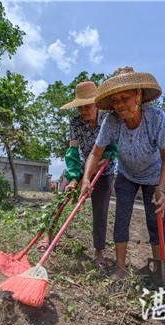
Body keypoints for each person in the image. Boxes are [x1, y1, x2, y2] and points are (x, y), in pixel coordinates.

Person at [80, 66, 165, 279]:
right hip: (126, 175)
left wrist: (161, 188)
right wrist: (86, 179)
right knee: (121, 218)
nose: (120, 105)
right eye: (115, 100)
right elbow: (96, 153)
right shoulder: (112, 121)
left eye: (125, 98)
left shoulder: (156, 118)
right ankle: (121, 269)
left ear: (138, 96)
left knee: (155, 222)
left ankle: (159, 271)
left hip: (153, 177)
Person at [39, 81, 117, 268]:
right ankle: (47, 235)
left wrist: (88, 177)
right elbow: (73, 151)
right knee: (61, 198)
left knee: (100, 211)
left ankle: (98, 252)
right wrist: (75, 178)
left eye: (87, 106)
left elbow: (111, 149)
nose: (83, 111)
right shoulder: (74, 122)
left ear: (97, 104)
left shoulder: (109, 120)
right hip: (80, 165)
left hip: (104, 170)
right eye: (80, 107)